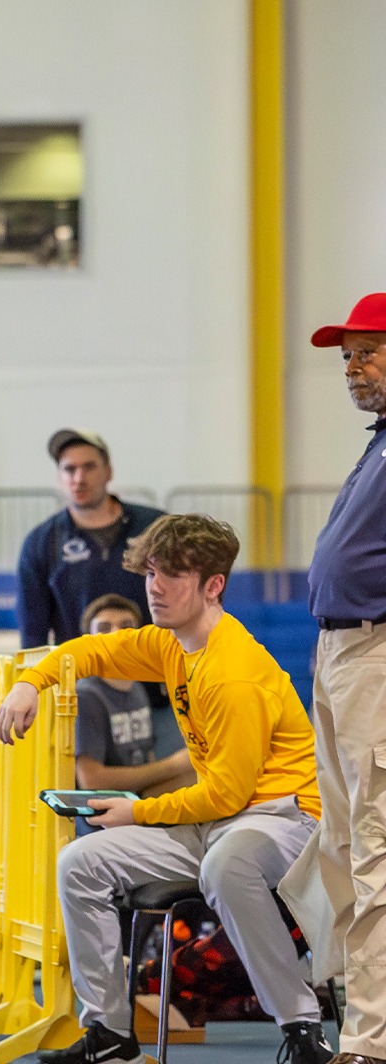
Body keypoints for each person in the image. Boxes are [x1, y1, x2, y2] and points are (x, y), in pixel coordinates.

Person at [0, 514, 332, 1064]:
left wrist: (137, 812)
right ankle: (110, 1034)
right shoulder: (171, 644)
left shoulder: (233, 672)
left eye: (172, 574)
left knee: (228, 866)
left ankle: (301, 1027)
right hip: (216, 823)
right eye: (151, 572)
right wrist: (31, 682)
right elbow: (91, 652)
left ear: (213, 585)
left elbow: (225, 795)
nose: (155, 586)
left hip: (284, 819)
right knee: (79, 863)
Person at [295, 292, 386, 1064]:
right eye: (346, 357)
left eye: (368, 351)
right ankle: (362, 1018)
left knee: (375, 848)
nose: (352, 368)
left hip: (377, 655)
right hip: (341, 655)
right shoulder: (379, 442)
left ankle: (372, 1038)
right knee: (343, 846)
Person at [16, 429, 165, 648]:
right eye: (69, 469)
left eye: (89, 467)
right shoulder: (41, 542)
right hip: (80, 676)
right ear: (59, 478)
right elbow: (32, 632)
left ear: (109, 472)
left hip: (151, 671)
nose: (79, 478)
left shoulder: (155, 528)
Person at [70, 594, 193, 798]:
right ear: (88, 640)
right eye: (104, 628)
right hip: (103, 811)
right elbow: (91, 780)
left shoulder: (136, 687)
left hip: (137, 797)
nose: (117, 634)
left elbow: (145, 758)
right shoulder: (87, 696)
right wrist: (174, 765)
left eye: (126, 626)